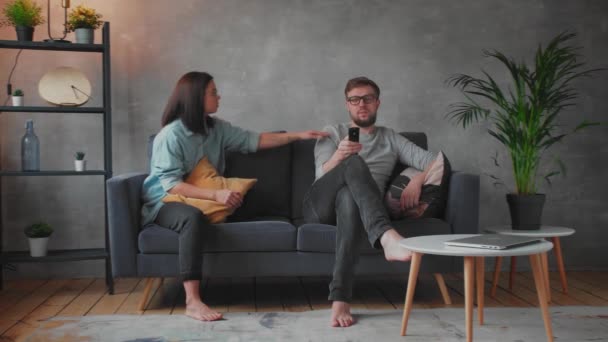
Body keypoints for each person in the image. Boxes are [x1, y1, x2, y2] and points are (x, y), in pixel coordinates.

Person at [141, 71, 328, 322]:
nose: (219, 96)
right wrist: (216, 194)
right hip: (166, 201)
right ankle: (192, 301)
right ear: (196, 98)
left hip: (205, 196)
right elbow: (172, 186)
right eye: (213, 92)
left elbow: (255, 139)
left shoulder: (215, 128)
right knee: (192, 219)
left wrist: (298, 135)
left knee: (251, 201)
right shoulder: (171, 136)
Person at [302, 76, 438, 328]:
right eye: (354, 100)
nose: (361, 104)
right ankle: (386, 236)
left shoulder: (391, 138)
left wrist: (417, 179)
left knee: (349, 199)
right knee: (352, 162)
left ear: (378, 103)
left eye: (367, 98)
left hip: (358, 207)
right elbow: (320, 176)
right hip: (319, 205)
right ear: (347, 105)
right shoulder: (332, 133)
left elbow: (436, 161)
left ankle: (341, 298)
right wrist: (339, 156)